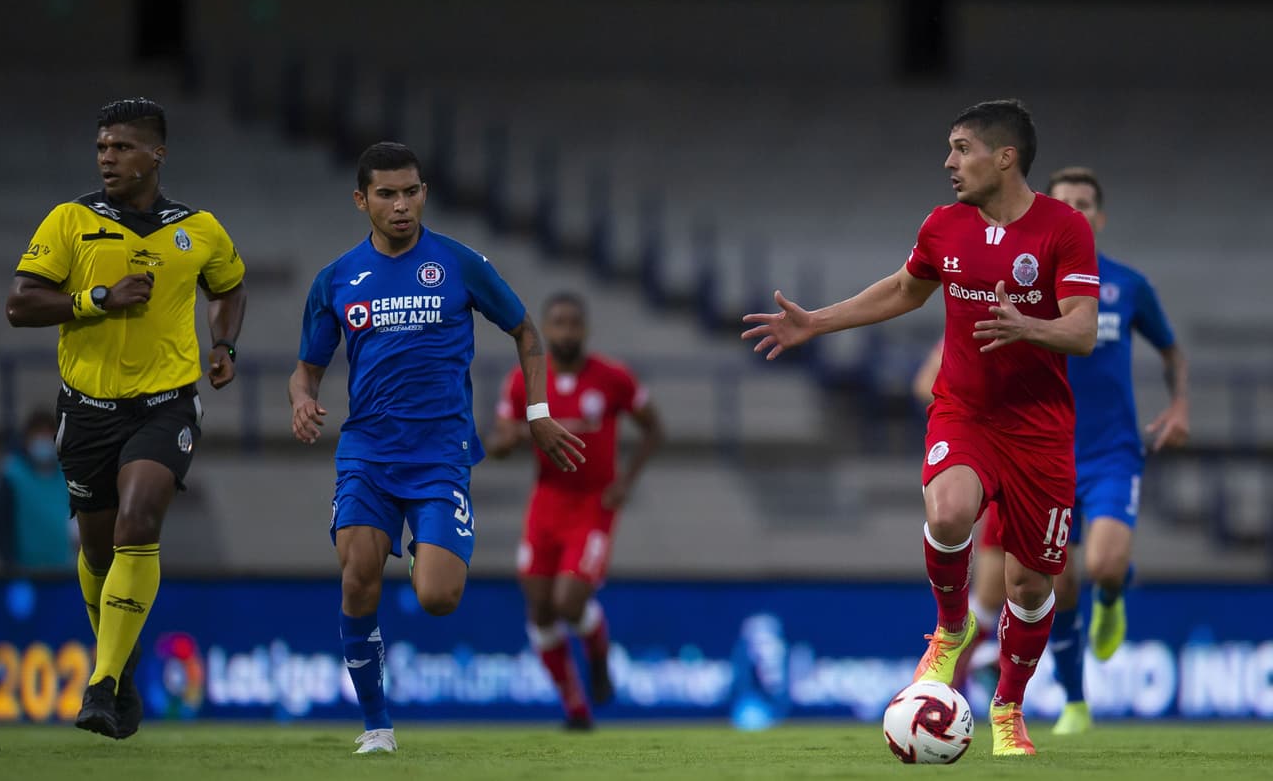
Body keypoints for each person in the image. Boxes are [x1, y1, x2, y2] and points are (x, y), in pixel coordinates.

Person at [742, 100, 1099, 757]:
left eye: (961, 147)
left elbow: (1082, 326)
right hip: (964, 409)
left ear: (1005, 157)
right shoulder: (943, 225)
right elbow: (907, 288)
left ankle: (1008, 709)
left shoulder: (1064, 228)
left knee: (1031, 584)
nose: (949, 162)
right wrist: (816, 321)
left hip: (1040, 429)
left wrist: (1030, 327)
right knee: (950, 510)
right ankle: (951, 627)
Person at [289, 141, 586, 755]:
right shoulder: (337, 279)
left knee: (438, 597)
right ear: (361, 199)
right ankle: (377, 726)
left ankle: (424, 549)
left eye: (412, 191)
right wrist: (301, 399)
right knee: (358, 577)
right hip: (366, 452)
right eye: (387, 194)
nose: (402, 205)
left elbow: (526, 331)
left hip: (439, 457)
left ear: (424, 192)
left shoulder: (458, 263)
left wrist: (537, 413)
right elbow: (307, 368)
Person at [916, 167, 1190, 735]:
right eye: (1065, 201)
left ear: (1099, 216)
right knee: (1039, 585)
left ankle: (1109, 598)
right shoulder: (1011, 278)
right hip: (1022, 445)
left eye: (1086, 203)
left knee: (1101, 566)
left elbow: (1169, 348)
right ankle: (1069, 702)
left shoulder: (1126, 286)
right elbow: (932, 364)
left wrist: (1180, 405)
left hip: (1105, 451)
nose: (1076, 211)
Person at [5, 97, 247, 739]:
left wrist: (223, 347)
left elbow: (229, 286)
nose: (107, 158)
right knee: (96, 548)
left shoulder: (199, 228)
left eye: (121, 147)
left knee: (139, 521)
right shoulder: (70, 220)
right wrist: (96, 299)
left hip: (166, 404)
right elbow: (19, 306)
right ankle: (123, 664)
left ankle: (102, 683)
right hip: (86, 410)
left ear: (156, 153)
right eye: (101, 148)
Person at [486, 291, 663, 730]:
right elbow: (498, 440)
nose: (566, 331)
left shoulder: (612, 378)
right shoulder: (524, 380)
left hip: (593, 504)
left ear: (585, 329)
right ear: (546, 330)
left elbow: (654, 428)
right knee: (540, 609)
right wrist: (505, 442)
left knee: (568, 601)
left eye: (573, 323)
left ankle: (599, 656)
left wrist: (625, 482)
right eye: (558, 323)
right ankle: (576, 709)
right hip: (546, 501)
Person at [0, 408, 74, 571]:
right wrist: (9, 565)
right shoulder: (12, 474)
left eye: (48, 434)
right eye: (39, 434)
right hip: (24, 572)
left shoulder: (67, 473)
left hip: (65, 571)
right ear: (26, 438)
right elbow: (2, 525)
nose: (44, 440)